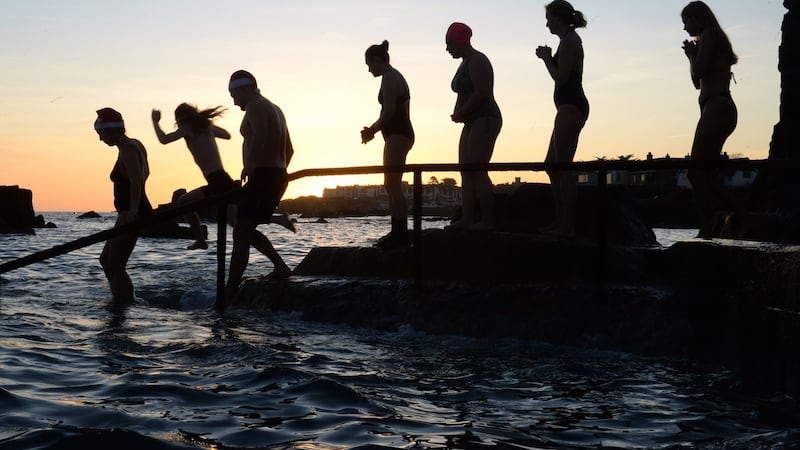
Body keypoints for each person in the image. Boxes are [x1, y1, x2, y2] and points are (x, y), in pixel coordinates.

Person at [152, 103, 296, 250]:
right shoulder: (205, 128)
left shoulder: (187, 128)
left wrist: (155, 122)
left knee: (185, 203)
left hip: (218, 181)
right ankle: (278, 219)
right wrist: (209, 127)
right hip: (220, 180)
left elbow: (164, 139)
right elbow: (226, 135)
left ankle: (201, 240)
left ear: (182, 118)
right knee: (238, 221)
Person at [225, 70, 294, 302]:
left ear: (244, 89)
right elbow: (290, 149)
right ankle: (280, 267)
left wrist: (251, 166)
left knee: (241, 232)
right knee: (244, 228)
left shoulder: (255, 106)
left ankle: (229, 292)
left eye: (234, 95)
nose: (234, 102)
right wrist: (279, 171)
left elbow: (261, 135)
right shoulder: (275, 108)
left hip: (264, 177)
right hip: (274, 175)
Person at [681, 1, 744, 239]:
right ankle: (723, 221)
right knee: (703, 173)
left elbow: (697, 72)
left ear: (697, 18)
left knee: (695, 172)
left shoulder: (708, 35)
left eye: (686, 22)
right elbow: (698, 82)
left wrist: (691, 55)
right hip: (715, 107)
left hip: (717, 107)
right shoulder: (708, 39)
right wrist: (692, 56)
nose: (685, 28)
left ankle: (712, 225)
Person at [535, 0, 589, 238]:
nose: (546, 23)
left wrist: (547, 58)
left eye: (549, 18)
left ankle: (567, 225)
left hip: (572, 107)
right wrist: (548, 56)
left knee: (563, 167)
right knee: (551, 165)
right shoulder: (567, 41)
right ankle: (559, 221)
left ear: (557, 18)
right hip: (566, 107)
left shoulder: (570, 41)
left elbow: (561, 78)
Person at [445, 22, 502, 231]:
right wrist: (462, 114)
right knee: (465, 170)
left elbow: (482, 92)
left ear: (459, 41)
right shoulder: (465, 62)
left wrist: (463, 111)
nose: (447, 48)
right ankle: (467, 217)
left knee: (478, 170)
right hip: (470, 120)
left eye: (449, 43)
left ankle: (488, 220)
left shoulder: (478, 60)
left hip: (485, 117)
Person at [95, 107, 153, 303]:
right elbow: (147, 172)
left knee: (116, 264)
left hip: (131, 212)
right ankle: (119, 298)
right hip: (128, 211)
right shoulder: (135, 144)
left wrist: (134, 211)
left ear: (111, 130)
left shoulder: (128, 149)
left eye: (100, 134)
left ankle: (125, 304)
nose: (100, 140)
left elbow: (137, 180)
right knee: (105, 260)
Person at [360, 40, 414, 249]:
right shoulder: (391, 77)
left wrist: (372, 130)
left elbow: (390, 113)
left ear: (377, 60)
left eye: (369, 64)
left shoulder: (391, 77)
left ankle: (400, 234)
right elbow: (387, 113)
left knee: (392, 184)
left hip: (399, 135)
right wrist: (374, 130)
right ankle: (397, 231)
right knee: (390, 184)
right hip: (396, 134)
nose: (369, 70)